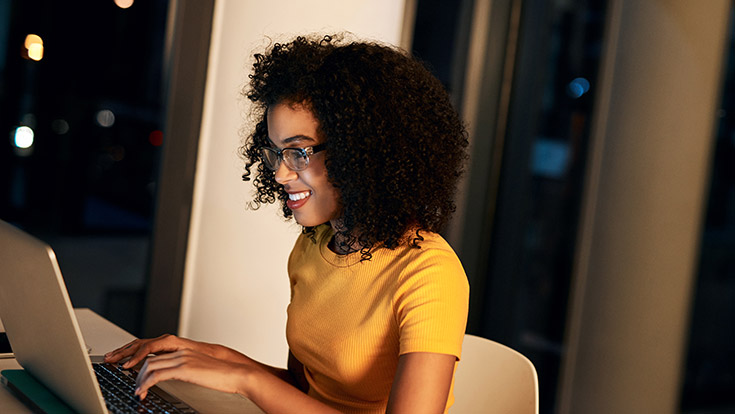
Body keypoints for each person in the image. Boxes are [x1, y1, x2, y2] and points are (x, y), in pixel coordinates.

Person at [104, 34, 470, 414]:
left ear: (361, 151)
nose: (279, 173)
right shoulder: (315, 246)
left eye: (297, 152)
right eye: (277, 153)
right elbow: (302, 391)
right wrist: (200, 354)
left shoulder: (429, 274)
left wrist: (245, 381)